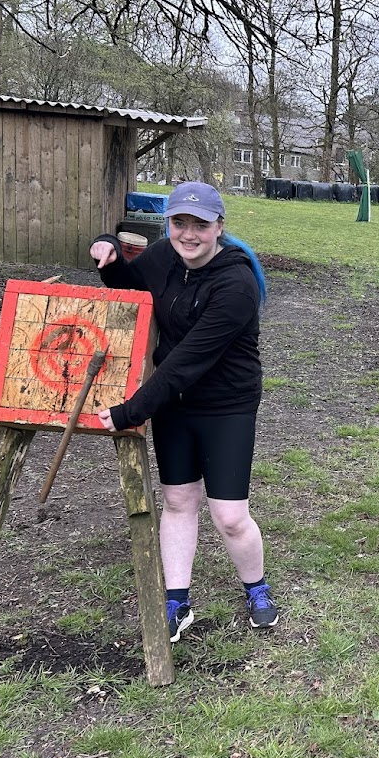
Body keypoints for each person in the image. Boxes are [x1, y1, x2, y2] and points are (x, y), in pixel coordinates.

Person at [89, 181, 278, 640]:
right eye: (179, 223)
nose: (188, 234)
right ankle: (177, 601)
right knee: (177, 501)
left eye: (200, 224)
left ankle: (257, 587)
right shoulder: (163, 256)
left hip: (225, 406)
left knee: (230, 515)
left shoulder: (237, 284)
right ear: (168, 223)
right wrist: (110, 250)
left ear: (219, 227)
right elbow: (130, 285)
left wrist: (131, 410)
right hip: (174, 404)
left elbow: (184, 362)